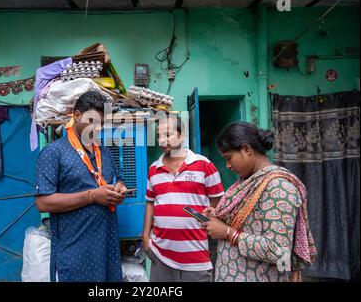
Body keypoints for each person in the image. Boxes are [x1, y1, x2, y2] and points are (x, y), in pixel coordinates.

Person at [202, 122, 317, 282]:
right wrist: (218, 215)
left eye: (229, 158)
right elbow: (249, 220)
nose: (227, 165)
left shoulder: (279, 187)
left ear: (247, 149)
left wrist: (228, 233)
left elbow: (279, 250)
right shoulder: (248, 181)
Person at [34, 91, 129, 282]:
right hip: (75, 253)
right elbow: (43, 203)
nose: (96, 128)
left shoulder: (104, 152)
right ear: (76, 116)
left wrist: (120, 188)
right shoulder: (54, 153)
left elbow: (117, 179)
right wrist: (92, 196)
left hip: (106, 249)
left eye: (100, 123)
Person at [142, 115, 225, 282]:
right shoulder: (154, 169)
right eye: (158, 136)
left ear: (181, 135)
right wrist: (145, 235)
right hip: (160, 254)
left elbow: (219, 203)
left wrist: (209, 217)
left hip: (195, 257)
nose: (161, 140)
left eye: (167, 134)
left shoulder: (204, 165)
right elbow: (150, 203)